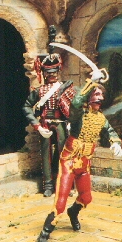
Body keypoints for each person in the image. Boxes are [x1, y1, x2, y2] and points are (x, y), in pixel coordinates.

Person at [36, 78, 122, 242]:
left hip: (84, 163)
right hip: (69, 162)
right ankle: (44, 235)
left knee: (86, 198)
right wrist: (92, 82)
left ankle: (73, 212)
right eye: (96, 94)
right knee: (60, 202)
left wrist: (115, 142)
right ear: (88, 96)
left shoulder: (101, 118)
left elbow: (110, 131)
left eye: (101, 94)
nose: (99, 97)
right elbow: (76, 103)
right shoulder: (78, 115)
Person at [23, 53, 75, 197]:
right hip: (45, 124)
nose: (52, 75)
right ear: (44, 73)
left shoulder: (65, 88)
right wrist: (37, 125)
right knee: (46, 154)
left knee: (64, 153)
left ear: (58, 71)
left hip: (61, 124)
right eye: (48, 72)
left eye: (54, 72)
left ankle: (66, 184)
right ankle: (48, 185)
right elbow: (27, 106)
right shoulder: (40, 91)